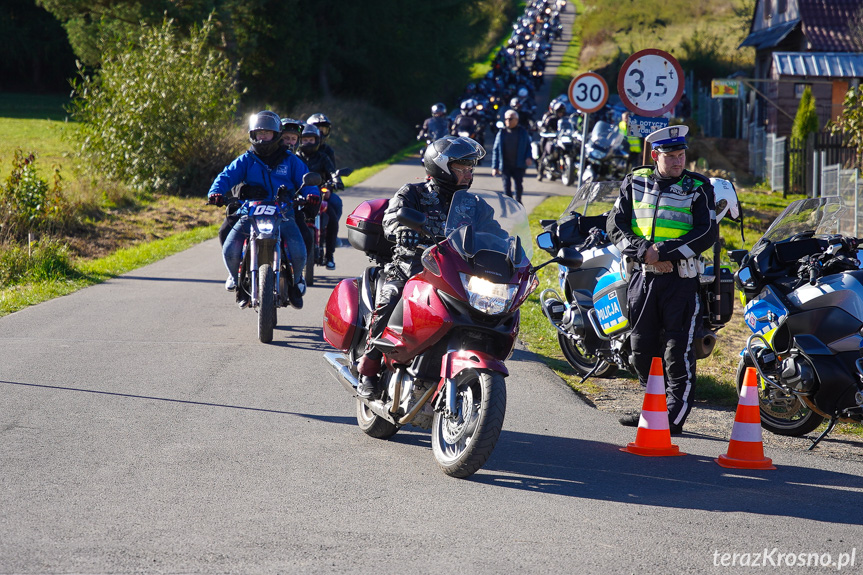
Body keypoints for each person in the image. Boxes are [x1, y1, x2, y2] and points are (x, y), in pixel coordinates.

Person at [606, 125, 717, 434]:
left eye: (682, 155)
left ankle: (673, 418)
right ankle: (653, 408)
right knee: (641, 349)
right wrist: (644, 252)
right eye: (671, 157)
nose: (679, 162)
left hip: (680, 281)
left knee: (677, 350)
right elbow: (615, 224)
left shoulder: (697, 187)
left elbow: (707, 232)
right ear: (655, 156)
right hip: (642, 279)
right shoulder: (635, 181)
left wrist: (666, 253)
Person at [355, 136, 486, 398]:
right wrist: (402, 231)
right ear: (441, 167)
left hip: (454, 273)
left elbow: (493, 233)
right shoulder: (413, 193)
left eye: (470, 167)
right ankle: (368, 368)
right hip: (410, 267)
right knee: (392, 297)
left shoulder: (476, 205)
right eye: (461, 167)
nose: (468, 173)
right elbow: (392, 218)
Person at [207, 110, 317, 309]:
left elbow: (306, 178)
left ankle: (295, 282)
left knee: (300, 248)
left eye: (266, 133)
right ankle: (238, 282)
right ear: (252, 135)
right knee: (229, 245)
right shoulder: (246, 159)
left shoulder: (290, 160)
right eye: (258, 133)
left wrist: (311, 193)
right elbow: (226, 177)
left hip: (284, 213)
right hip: (249, 211)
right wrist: (216, 192)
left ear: (276, 134)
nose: (262, 137)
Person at [306, 113, 343, 270]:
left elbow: (331, 172)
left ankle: (330, 248)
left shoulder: (326, 152)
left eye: (323, 129)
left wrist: (330, 187)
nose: (320, 133)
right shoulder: (297, 153)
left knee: (334, 204)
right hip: (303, 191)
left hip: (322, 190)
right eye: (316, 129)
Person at [491, 109, 532, 203]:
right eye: (506, 119)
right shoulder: (501, 133)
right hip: (505, 165)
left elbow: (528, 147)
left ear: (516, 120)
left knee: (518, 185)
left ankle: (518, 203)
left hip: (519, 164)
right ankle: (509, 204)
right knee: (506, 186)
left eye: (510, 119)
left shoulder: (523, 132)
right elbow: (496, 150)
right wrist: (495, 167)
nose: (507, 121)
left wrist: (528, 157)